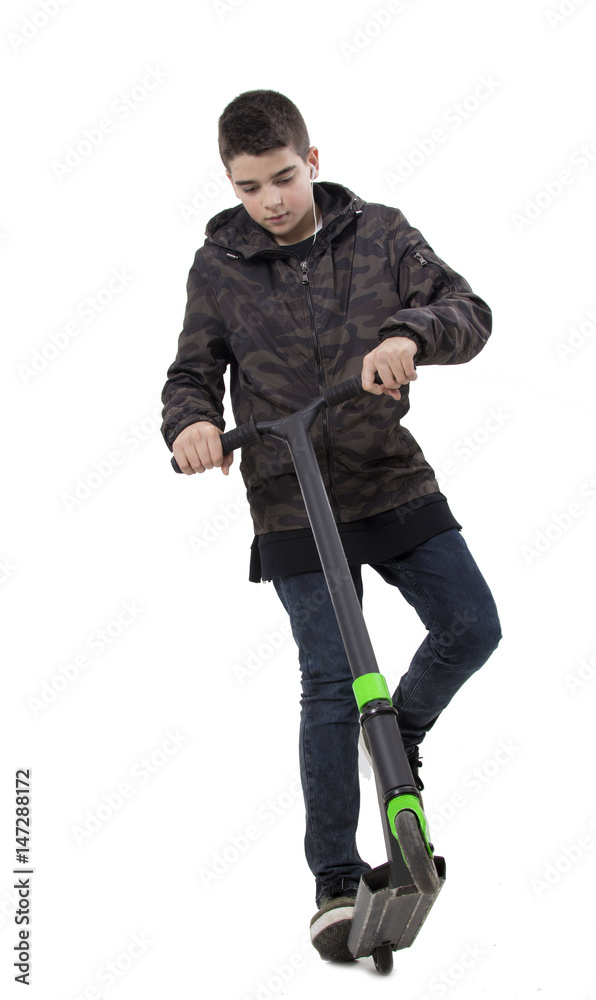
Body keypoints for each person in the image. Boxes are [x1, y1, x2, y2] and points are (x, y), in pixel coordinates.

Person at [161, 89, 502, 962]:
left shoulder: (379, 231)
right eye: (248, 187)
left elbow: (467, 312)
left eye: (282, 177)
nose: (270, 201)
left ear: (311, 160)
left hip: (385, 476)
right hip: (287, 492)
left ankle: (399, 736)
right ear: (230, 185)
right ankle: (335, 879)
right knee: (326, 677)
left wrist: (409, 333)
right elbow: (190, 372)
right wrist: (191, 425)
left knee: (470, 626)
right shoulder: (218, 267)